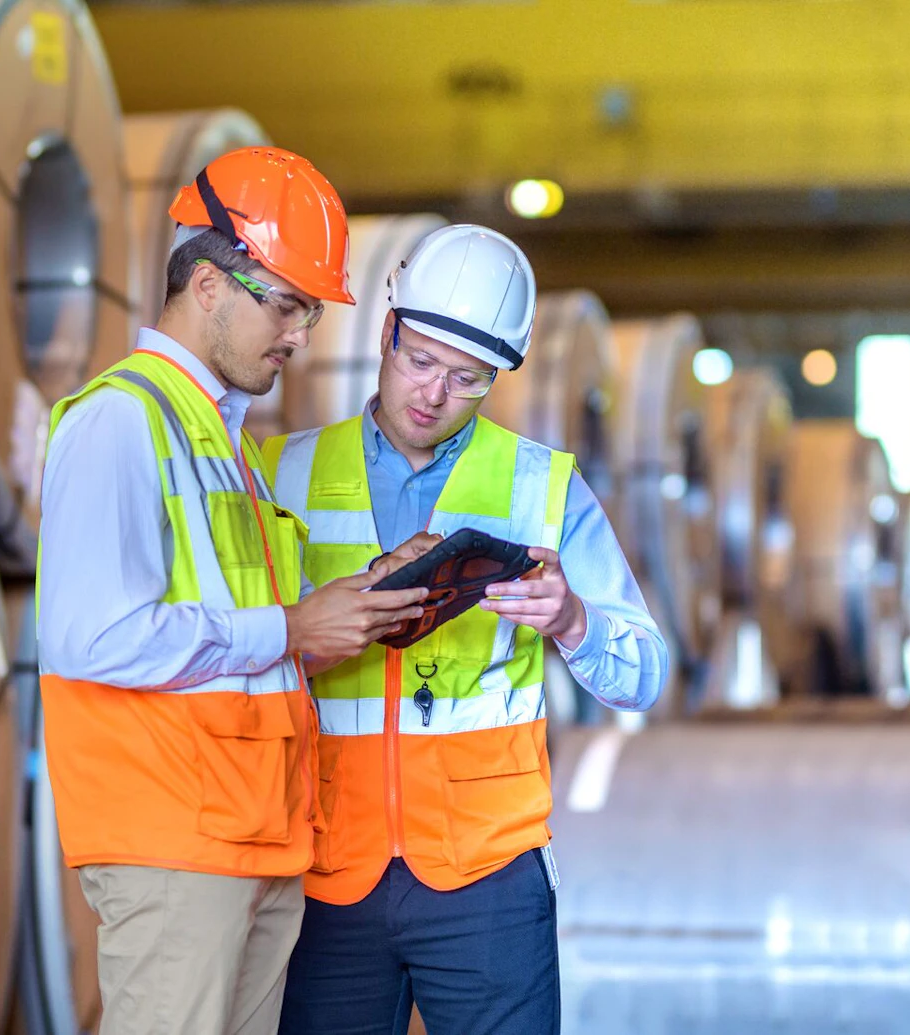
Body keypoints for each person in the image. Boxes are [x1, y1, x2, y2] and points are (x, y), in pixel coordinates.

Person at [35, 146, 430, 1035]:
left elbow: (250, 637)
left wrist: (360, 601)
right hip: (175, 843)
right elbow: (88, 634)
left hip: (252, 837)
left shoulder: (222, 443)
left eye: (310, 313)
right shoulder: (120, 420)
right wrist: (291, 626)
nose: (300, 334)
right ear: (208, 282)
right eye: (287, 304)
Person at [262, 224, 669, 1035]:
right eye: (418, 360)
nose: (432, 393)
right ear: (386, 332)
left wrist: (573, 619)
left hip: (488, 873)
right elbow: (236, 654)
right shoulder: (282, 472)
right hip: (324, 866)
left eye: (467, 378)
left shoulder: (542, 486)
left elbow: (645, 672)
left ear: (496, 378)